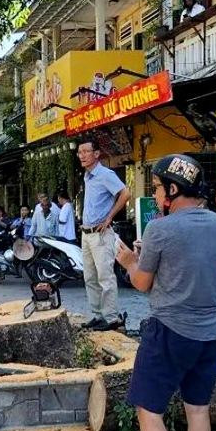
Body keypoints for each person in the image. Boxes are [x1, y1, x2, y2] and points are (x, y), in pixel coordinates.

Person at [115, 154, 216, 431]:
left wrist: (132, 260)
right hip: (211, 332)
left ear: (173, 190)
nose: (158, 193)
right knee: (198, 410)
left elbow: (143, 283)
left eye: (160, 187)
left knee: (149, 411)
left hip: (169, 330)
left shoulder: (160, 229)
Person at [77, 141, 131, 330]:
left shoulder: (105, 174)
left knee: (105, 277)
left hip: (101, 234)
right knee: (89, 277)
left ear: (97, 153)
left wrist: (109, 218)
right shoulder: (88, 176)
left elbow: (125, 193)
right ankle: (97, 315)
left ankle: (112, 318)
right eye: (79, 152)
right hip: (86, 233)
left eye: (86, 151)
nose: (82, 155)